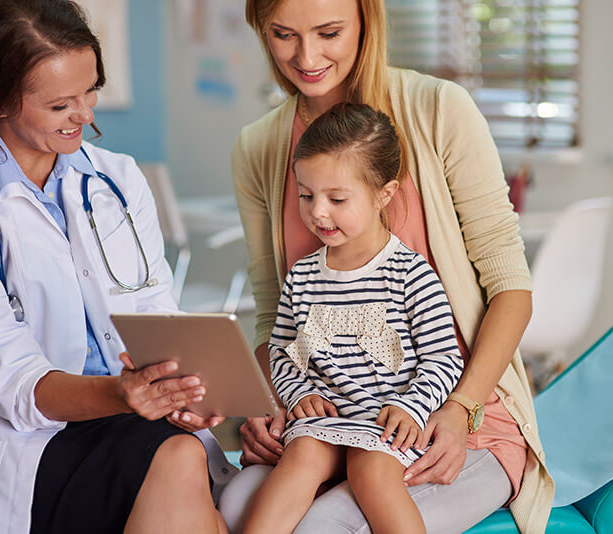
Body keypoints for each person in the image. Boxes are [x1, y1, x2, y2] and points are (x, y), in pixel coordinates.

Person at [219, 0, 554, 532]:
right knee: (234, 508)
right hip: (329, 416)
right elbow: (272, 318)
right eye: (283, 34)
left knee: (327, 526)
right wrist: (274, 398)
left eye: (329, 32)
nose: (306, 57)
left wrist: (458, 408)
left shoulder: (439, 108)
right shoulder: (256, 147)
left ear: (366, 20)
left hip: (452, 413)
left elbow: (511, 286)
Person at [0, 1, 233, 532]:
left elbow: (155, 313)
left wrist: (178, 393)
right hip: (20, 445)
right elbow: (4, 374)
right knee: (178, 463)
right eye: (61, 104)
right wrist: (123, 395)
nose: (85, 115)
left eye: (90, 91)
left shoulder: (121, 180)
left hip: (131, 421)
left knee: (180, 454)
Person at [243, 103, 464, 534]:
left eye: (337, 199)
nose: (318, 212)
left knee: (372, 472)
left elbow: (444, 361)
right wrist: (298, 394)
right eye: (306, 195)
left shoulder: (411, 273)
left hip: (386, 421)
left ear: (384, 193)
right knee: (301, 458)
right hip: (322, 421)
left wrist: (410, 407)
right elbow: (284, 354)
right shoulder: (303, 276)